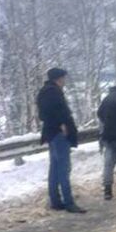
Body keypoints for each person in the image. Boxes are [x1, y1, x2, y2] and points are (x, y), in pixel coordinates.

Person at [36, 68, 87, 213]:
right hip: (59, 134)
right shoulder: (53, 92)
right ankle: (69, 202)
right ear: (58, 78)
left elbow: (43, 114)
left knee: (55, 168)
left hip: (51, 134)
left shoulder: (44, 91)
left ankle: (55, 201)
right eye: (63, 78)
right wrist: (62, 124)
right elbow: (56, 112)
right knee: (63, 169)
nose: (65, 81)